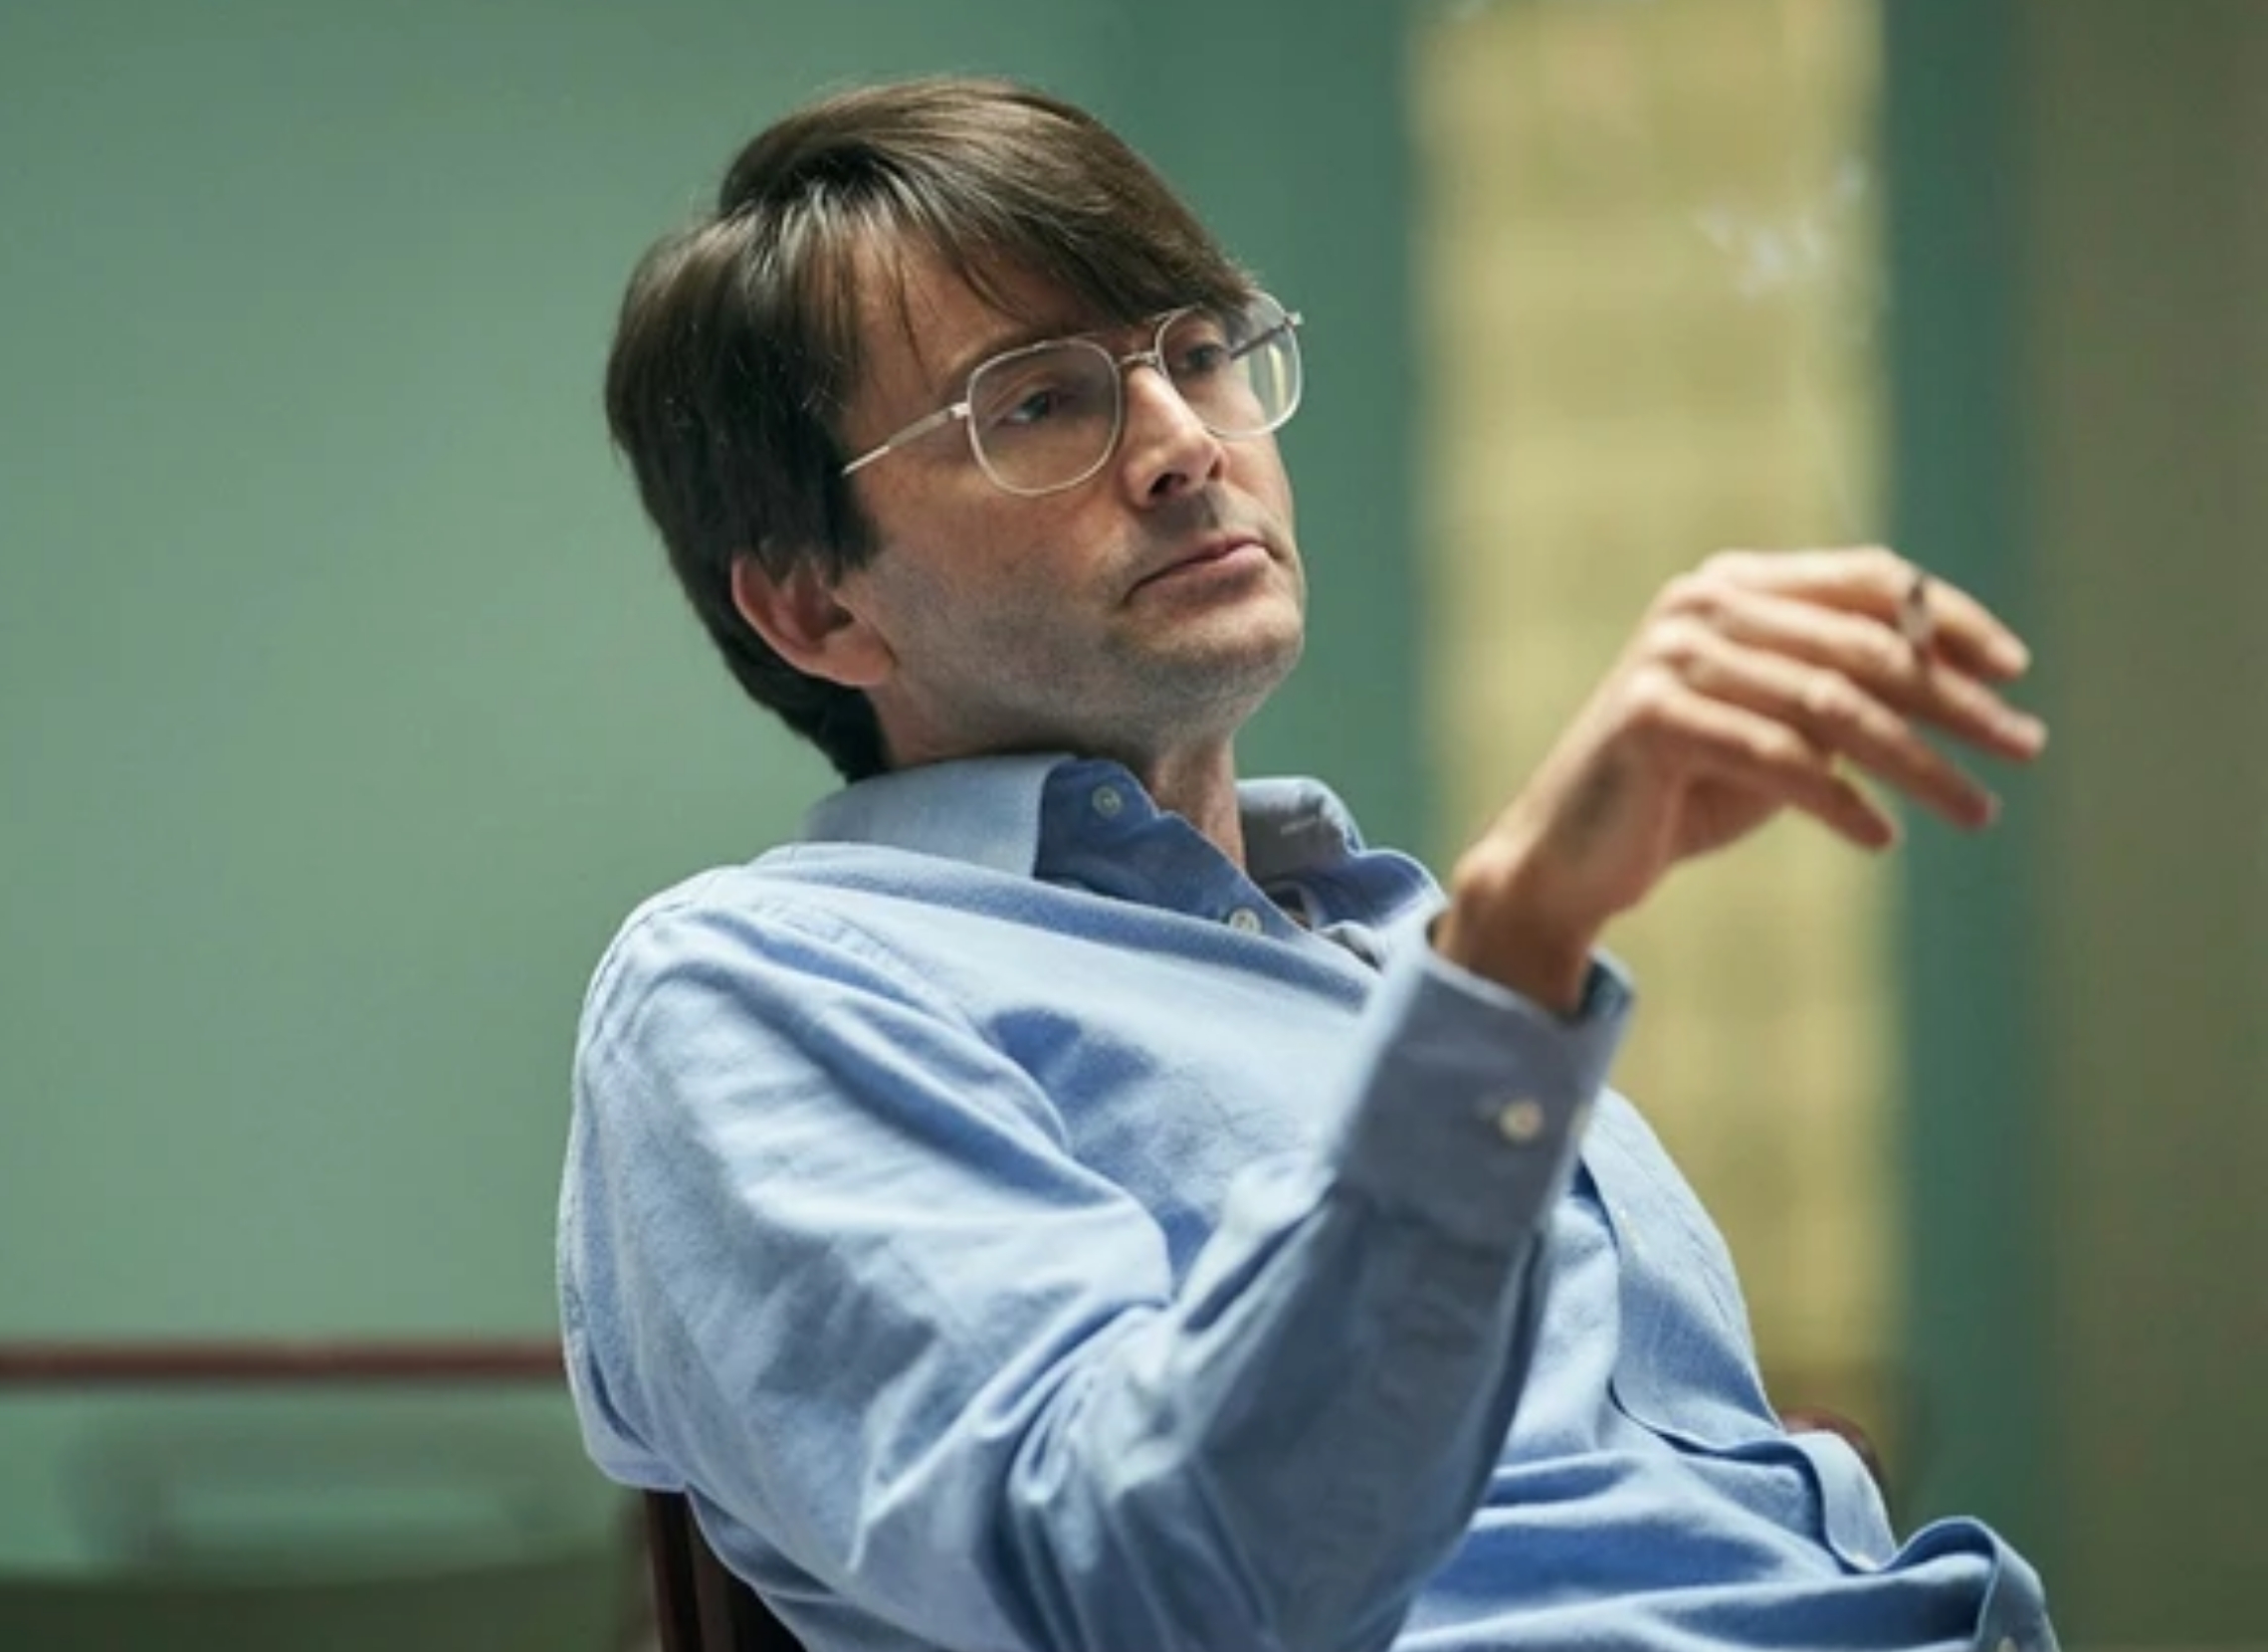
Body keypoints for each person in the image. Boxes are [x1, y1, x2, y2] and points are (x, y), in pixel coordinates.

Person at [556, 76, 2055, 1652]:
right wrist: (1518, 944)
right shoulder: (756, 984)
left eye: (1199, 353)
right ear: (813, 609)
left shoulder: (1388, 955)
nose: (1186, 445)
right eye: (1039, 405)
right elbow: (1154, 1597)